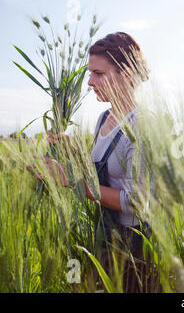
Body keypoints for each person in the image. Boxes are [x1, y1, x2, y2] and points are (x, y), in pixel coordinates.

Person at [29, 32, 156, 292]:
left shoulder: (142, 125)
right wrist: (73, 152)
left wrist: (69, 180)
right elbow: (100, 175)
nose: (89, 82)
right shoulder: (103, 119)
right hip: (105, 239)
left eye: (98, 73)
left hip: (133, 248)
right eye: (90, 73)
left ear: (127, 74)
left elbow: (134, 201)